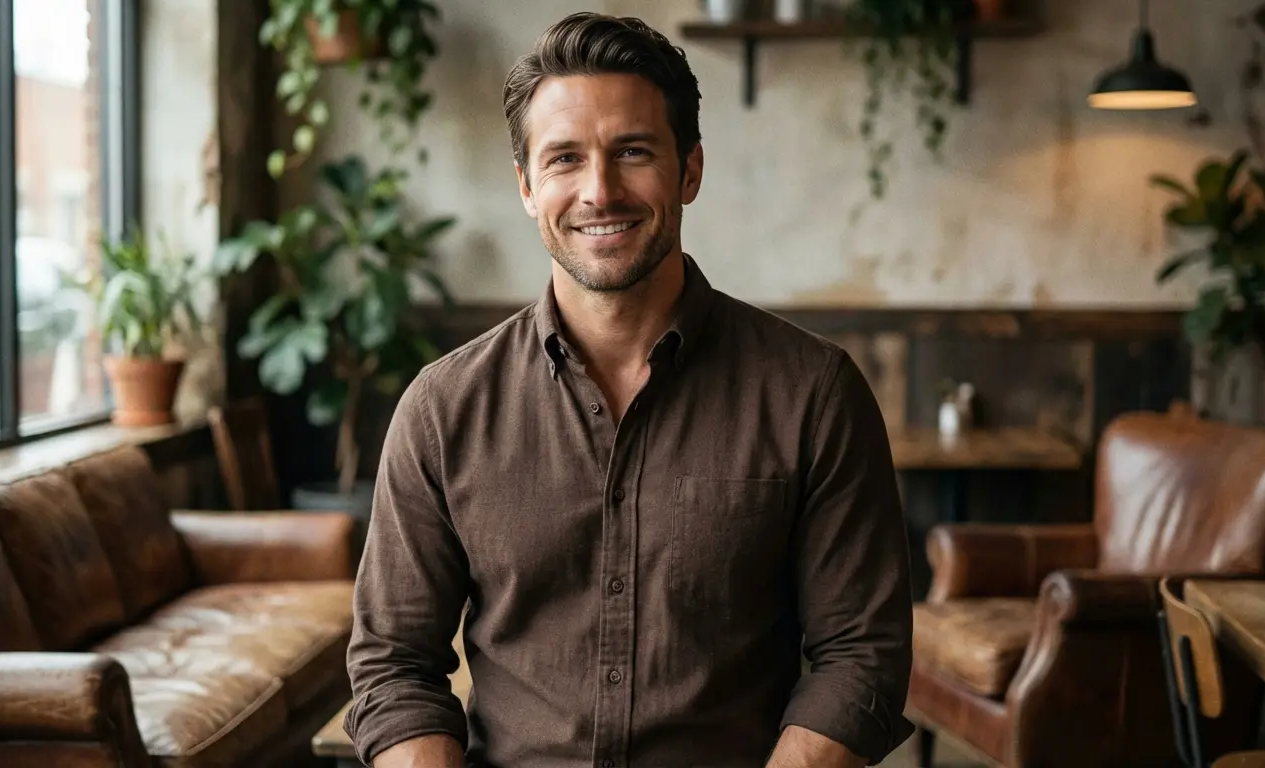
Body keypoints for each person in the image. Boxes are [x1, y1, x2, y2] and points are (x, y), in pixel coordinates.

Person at [345, 11, 914, 768]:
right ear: (525, 186)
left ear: (690, 170)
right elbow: (394, 665)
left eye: (633, 151)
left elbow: (861, 656)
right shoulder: (443, 409)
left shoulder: (813, 393)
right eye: (564, 159)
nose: (599, 191)